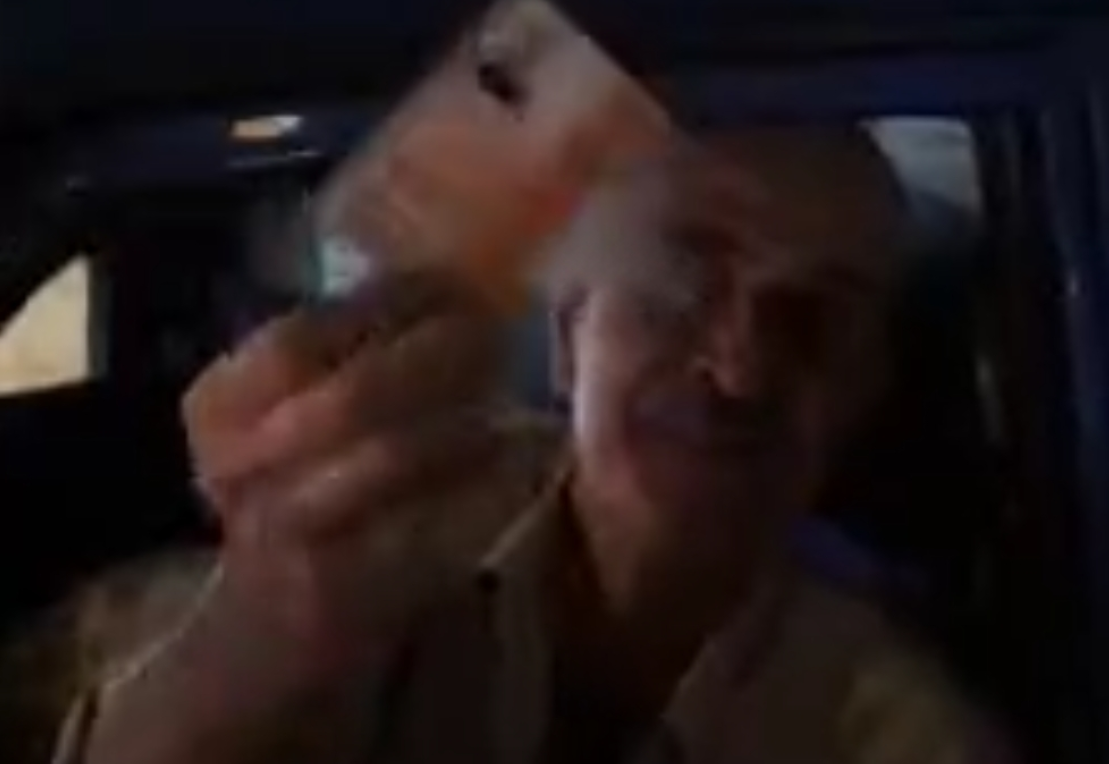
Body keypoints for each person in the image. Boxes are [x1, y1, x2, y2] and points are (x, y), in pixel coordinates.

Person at [43, 125, 1012, 764]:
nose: (742, 368)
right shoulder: (384, 520)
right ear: (569, 329)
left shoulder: (895, 731)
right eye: (676, 282)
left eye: (813, 319)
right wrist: (258, 636)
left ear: (863, 388)